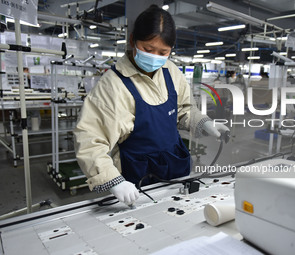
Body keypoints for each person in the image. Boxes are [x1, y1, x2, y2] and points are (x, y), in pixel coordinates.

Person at [73, 5, 228, 206]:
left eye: (163, 52)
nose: (155, 57)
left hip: (174, 169)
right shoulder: (112, 86)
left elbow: (184, 110)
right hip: (135, 177)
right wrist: (112, 180)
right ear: (132, 41)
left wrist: (204, 123)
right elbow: (90, 139)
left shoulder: (171, 71)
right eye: (148, 49)